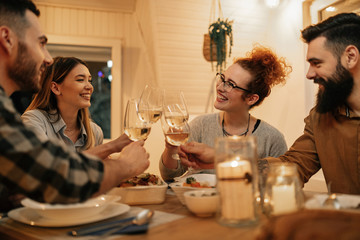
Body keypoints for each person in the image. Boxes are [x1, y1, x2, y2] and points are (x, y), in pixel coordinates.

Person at [178, 13, 360, 195]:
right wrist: (221, 157)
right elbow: (292, 168)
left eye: (317, 63)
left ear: (350, 57)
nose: (309, 74)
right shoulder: (321, 118)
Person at [0, 0, 149, 211]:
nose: (48, 58)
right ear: (7, 39)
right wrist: (125, 165)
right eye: (40, 43)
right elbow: (58, 178)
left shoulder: (92, 129)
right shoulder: (27, 119)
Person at [160, 45, 292, 181]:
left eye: (230, 84)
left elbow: (282, 184)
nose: (220, 87)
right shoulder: (201, 125)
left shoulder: (272, 138)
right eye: (222, 78)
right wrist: (171, 149)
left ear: (251, 98)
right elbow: (169, 176)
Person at [22, 56, 131, 160]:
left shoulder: (95, 132)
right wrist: (111, 147)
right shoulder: (33, 120)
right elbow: (46, 166)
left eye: (90, 80)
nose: (90, 87)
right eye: (80, 80)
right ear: (55, 88)